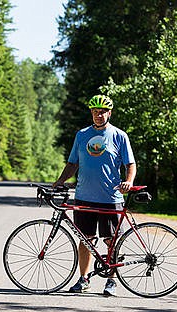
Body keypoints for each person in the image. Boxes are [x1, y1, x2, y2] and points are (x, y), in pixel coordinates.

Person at [52, 95, 136, 296]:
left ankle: (112, 281)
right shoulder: (82, 135)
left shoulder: (119, 136)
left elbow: (130, 164)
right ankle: (84, 279)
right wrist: (59, 182)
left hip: (110, 198)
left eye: (102, 111)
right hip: (84, 196)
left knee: (111, 241)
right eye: (95, 111)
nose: (98, 115)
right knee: (86, 239)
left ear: (109, 113)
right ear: (91, 113)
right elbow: (73, 163)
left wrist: (129, 181)